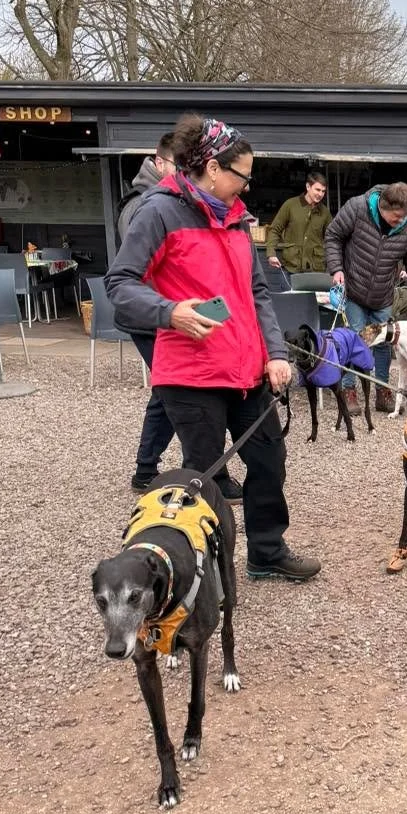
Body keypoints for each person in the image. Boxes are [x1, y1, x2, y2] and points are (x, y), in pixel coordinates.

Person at [106, 113, 319, 582]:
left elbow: (257, 292)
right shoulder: (157, 211)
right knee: (203, 475)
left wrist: (276, 354)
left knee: (268, 460)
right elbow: (119, 284)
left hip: (246, 370)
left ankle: (266, 551)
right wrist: (170, 312)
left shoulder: (238, 220)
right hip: (190, 374)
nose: (247, 185)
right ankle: (200, 566)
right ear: (214, 169)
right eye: (242, 174)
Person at [112, 138, 242, 502]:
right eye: (179, 165)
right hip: (156, 318)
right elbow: (142, 274)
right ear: (160, 162)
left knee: (169, 395)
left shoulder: (185, 204)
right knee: (177, 395)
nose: (187, 174)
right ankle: (199, 474)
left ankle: (153, 469)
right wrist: (172, 310)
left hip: (181, 313)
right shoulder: (146, 207)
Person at [325, 181, 407, 415]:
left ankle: (382, 391)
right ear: (382, 207)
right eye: (395, 217)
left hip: (384, 294)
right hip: (353, 290)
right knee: (355, 339)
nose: (400, 221)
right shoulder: (357, 208)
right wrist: (336, 269)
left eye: (404, 217)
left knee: (385, 342)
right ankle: (349, 390)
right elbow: (333, 236)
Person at [265, 170, 331, 289]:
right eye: (317, 190)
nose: (320, 194)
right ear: (308, 186)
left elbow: (332, 238)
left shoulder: (325, 212)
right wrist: (271, 253)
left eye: (323, 191)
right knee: (290, 305)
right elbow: (275, 229)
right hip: (291, 268)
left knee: (312, 306)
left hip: (315, 270)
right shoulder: (290, 205)